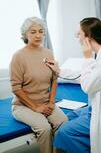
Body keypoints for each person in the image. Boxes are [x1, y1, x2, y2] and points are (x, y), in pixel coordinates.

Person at [46, 17, 101, 153]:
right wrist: (59, 70)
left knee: (65, 132)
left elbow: (88, 86)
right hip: (96, 108)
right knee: (69, 117)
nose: (77, 38)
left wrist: (87, 57)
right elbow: (83, 74)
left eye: (79, 34)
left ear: (88, 37)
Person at [9, 17, 68, 153]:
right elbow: (16, 88)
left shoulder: (48, 53)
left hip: (46, 103)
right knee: (45, 128)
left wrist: (52, 103)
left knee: (64, 124)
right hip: (23, 106)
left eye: (41, 31)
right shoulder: (18, 56)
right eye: (33, 32)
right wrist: (36, 107)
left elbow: (54, 79)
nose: (38, 35)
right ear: (25, 35)